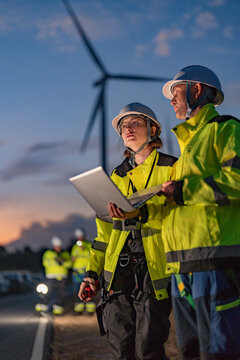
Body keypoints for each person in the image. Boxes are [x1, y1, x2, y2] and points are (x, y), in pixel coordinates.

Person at [79, 102, 177, 360]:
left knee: (148, 349)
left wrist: (142, 214)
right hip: (118, 273)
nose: (128, 129)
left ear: (153, 129)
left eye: (135, 123)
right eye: (124, 126)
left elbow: (181, 216)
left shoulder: (172, 167)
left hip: (154, 268)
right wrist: (91, 274)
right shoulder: (116, 176)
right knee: (121, 349)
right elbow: (104, 234)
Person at [160, 65, 240, 359]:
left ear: (197, 90)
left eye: (176, 91)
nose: (171, 100)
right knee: (191, 352)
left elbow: (237, 181)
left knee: (219, 352)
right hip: (182, 269)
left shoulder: (226, 129)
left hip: (215, 262)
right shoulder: (185, 152)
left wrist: (183, 191)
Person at [36, 236, 71, 315]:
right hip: (51, 277)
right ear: (53, 246)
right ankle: (42, 307)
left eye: (59, 246)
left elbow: (70, 264)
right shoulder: (48, 253)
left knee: (61, 294)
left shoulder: (65, 254)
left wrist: (63, 261)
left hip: (62, 278)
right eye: (56, 246)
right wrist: (55, 260)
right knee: (48, 293)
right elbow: (45, 263)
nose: (58, 248)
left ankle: (57, 310)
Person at [70, 228, 95, 314]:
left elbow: (92, 257)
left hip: (87, 272)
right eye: (78, 237)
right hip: (77, 273)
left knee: (88, 289)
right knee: (77, 290)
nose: (80, 238)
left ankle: (90, 309)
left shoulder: (89, 245)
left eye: (81, 236)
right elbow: (72, 259)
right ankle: (79, 309)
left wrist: (84, 249)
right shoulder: (75, 247)